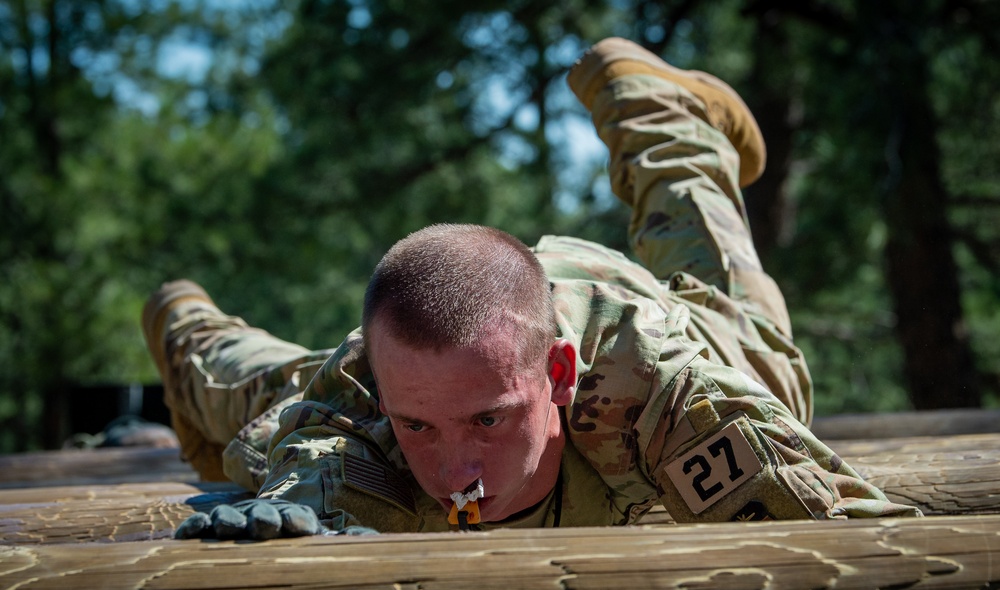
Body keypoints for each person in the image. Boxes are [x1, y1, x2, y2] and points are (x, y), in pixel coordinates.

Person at [144, 37, 920, 539]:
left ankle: (656, 110)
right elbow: (313, 446)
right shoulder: (363, 386)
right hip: (477, 323)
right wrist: (305, 508)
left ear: (557, 377)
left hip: (642, 322)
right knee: (256, 402)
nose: (458, 472)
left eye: (487, 420)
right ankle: (184, 322)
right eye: (418, 428)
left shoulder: (669, 395)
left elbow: (874, 553)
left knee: (757, 335)